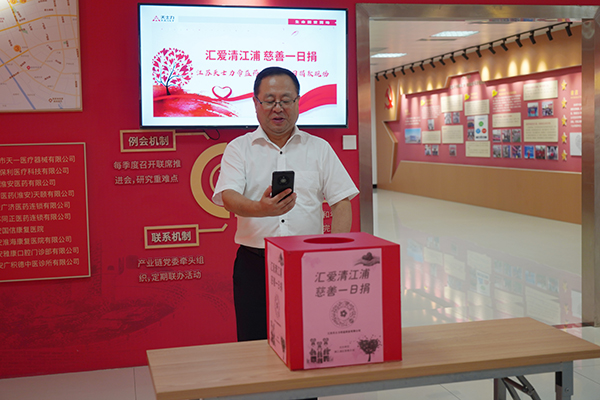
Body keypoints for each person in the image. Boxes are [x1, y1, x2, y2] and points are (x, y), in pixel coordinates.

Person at [212, 66, 359, 343]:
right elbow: (228, 196)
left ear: (298, 102)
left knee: (311, 337)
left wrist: (334, 252)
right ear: (255, 103)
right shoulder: (239, 148)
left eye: (286, 100)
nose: (278, 108)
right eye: (269, 100)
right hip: (255, 264)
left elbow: (341, 201)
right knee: (254, 340)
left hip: (309, 262)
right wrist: (261, 209)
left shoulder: (319, 148)